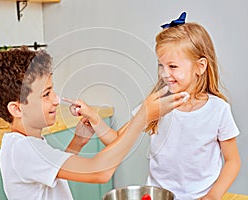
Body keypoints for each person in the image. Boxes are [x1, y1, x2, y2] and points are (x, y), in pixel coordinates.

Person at [0, 46, 187, 200]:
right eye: (46, 94)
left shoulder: (26, 144)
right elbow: (100, 171)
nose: (56, 100)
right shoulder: (24, 150)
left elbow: (54, 172)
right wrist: (143, 117)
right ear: (16, 108)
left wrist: (77, 142)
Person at [91, 12, 241, 200]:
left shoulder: (218, 110)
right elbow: (116, 142)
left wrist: (213, 195)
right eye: (161, 65)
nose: (164, 74)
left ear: (200, 66)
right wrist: (96, 121)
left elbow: (233, 161)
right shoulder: (155, 106)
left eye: (173, 66)